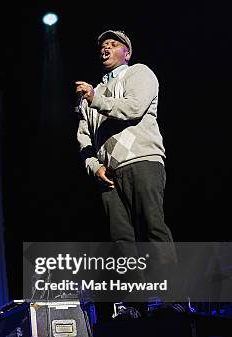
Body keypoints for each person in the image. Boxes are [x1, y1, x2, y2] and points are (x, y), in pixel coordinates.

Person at [75, 30, 180, 318]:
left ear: (127, 52)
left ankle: (173, 297)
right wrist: (94, 166)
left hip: (142, 159)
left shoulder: (138, 73)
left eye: (113, 44)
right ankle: (135, 305)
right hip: (109, 172)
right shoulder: (91, 94)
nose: (106, 49)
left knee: (152, 227)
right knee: (122, 240)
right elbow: (84, 138)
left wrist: (96, 98)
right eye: (103, 46)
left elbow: (134, 108)